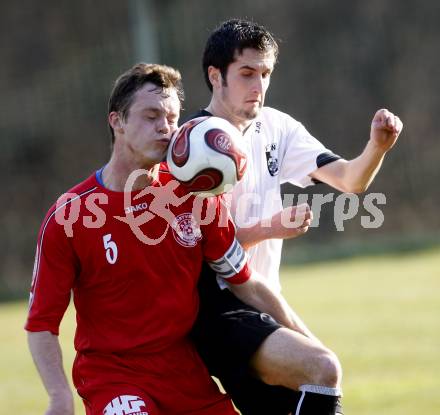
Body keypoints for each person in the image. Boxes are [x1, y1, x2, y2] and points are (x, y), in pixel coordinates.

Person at [25, 63, 308, 415]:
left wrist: (305, 340)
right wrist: (58, 396)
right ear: (117, 121)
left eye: (172, 117)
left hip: (184, 373)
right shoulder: (69, 216)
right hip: (113, 378)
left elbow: (245, 283)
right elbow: (41, 324)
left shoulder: (197, 196)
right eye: (151, 115)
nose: (165, 127)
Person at [189, 19, 404, 415]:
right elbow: (199, 244)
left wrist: (377, 147)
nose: (258, 85)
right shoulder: (195, 142)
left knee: (307, 392)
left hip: (262, 300)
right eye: (247, 73)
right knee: (322, 369)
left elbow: (348, 179)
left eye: (265, 73)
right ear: (215, 76)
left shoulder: (275, 127)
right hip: (217, 305)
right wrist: (269, 228)